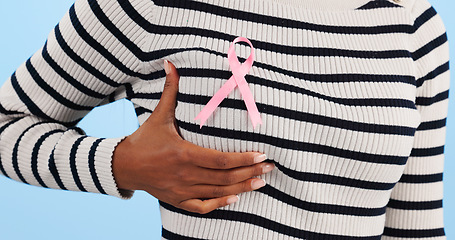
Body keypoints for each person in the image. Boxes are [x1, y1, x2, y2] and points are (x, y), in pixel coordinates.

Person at [0, 0, 449, 239]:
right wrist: (122, 165)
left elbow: (415, 228)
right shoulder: (152, 5)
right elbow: (6, 123)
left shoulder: (412, 25)